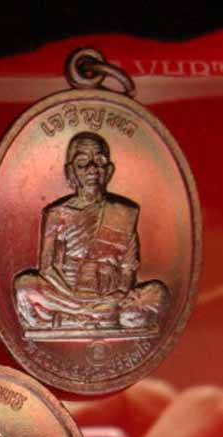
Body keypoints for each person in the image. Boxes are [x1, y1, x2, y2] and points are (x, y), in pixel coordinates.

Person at [14, 132, 169, 335]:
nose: (92, 169)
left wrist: (119, 293)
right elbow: (47, 269)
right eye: (82, 163)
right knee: (24, 286)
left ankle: (79, 317)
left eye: (99, 162)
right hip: (67, 296)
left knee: (158, 292)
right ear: (70, 172)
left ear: (109, 171)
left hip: (108, 296)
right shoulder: (57, 214)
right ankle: (89, 315)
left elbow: (128, 267)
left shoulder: (124, 213)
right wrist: (76, 299)